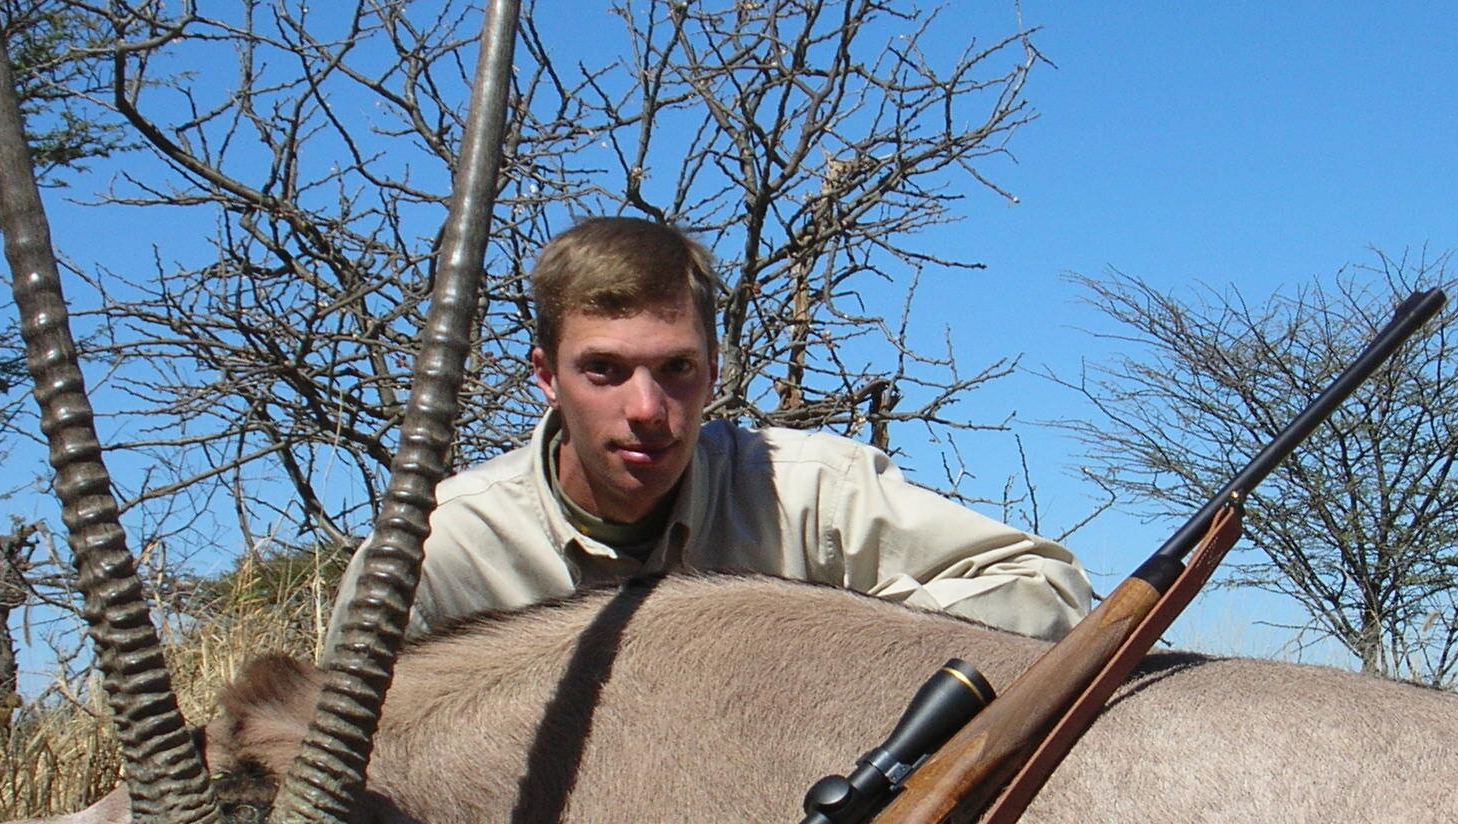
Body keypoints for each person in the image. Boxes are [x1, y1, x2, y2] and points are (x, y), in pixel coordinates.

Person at [331, 216, 1092, 643]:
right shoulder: (439, 555)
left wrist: (839, 643)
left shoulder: (807, 490)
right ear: (545, 376)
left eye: (677, 369)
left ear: (715, 368)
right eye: (604, 371)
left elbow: (1050, 588)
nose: (648, 410)